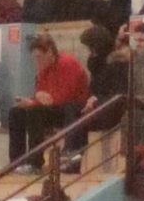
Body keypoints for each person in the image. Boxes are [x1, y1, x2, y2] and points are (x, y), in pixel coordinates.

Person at [6, 33, 90, 165]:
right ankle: (16, 162)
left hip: (73, 109)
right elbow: (41, 96)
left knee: (35, 111)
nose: (37, 61)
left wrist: (35, 102)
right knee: (16, 112)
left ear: (50, 52)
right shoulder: (43, 69)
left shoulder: (68, 63)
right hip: (54, 108)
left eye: (39, 57)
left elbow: (65, 96)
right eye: (35, 58)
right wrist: (31, 102)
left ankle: (35, 162)